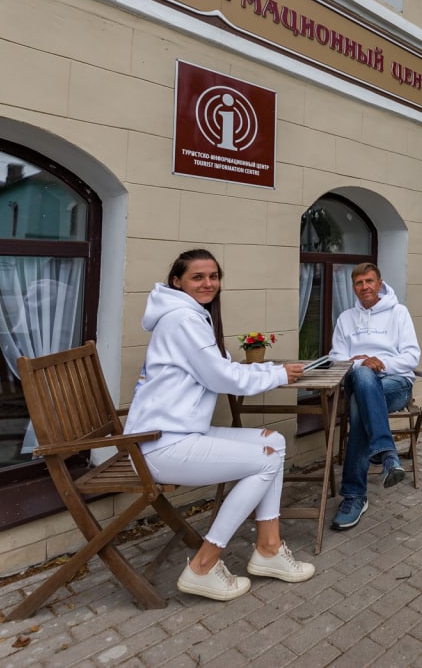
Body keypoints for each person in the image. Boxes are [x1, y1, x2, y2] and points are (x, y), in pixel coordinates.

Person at [124, 248, 315, 601]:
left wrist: (269, 371)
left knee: (273, 440)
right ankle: (203, 566)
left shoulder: (192, 316)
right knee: (267, 458)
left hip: (178, 433)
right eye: (197, 277)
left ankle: (269, 549)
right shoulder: (182, 319)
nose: (208, 283)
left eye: (213, 276)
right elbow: (220, 376)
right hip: (162, 445)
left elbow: (220, 366)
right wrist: (276, 373)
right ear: (176, 282)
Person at [328, 262, 420, 531]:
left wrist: (382, 363)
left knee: (359, 405)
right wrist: (361, 365)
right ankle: (387, 455)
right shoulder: (346, 318)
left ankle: (355, 496)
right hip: (360, 381)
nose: (365, 287)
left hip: (395, 385)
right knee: (364, 381)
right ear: (354, 287)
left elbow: (412, 357)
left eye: (370, 281)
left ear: (380, 284)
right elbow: (336, 359)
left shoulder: (399, 313)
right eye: (359, 283)